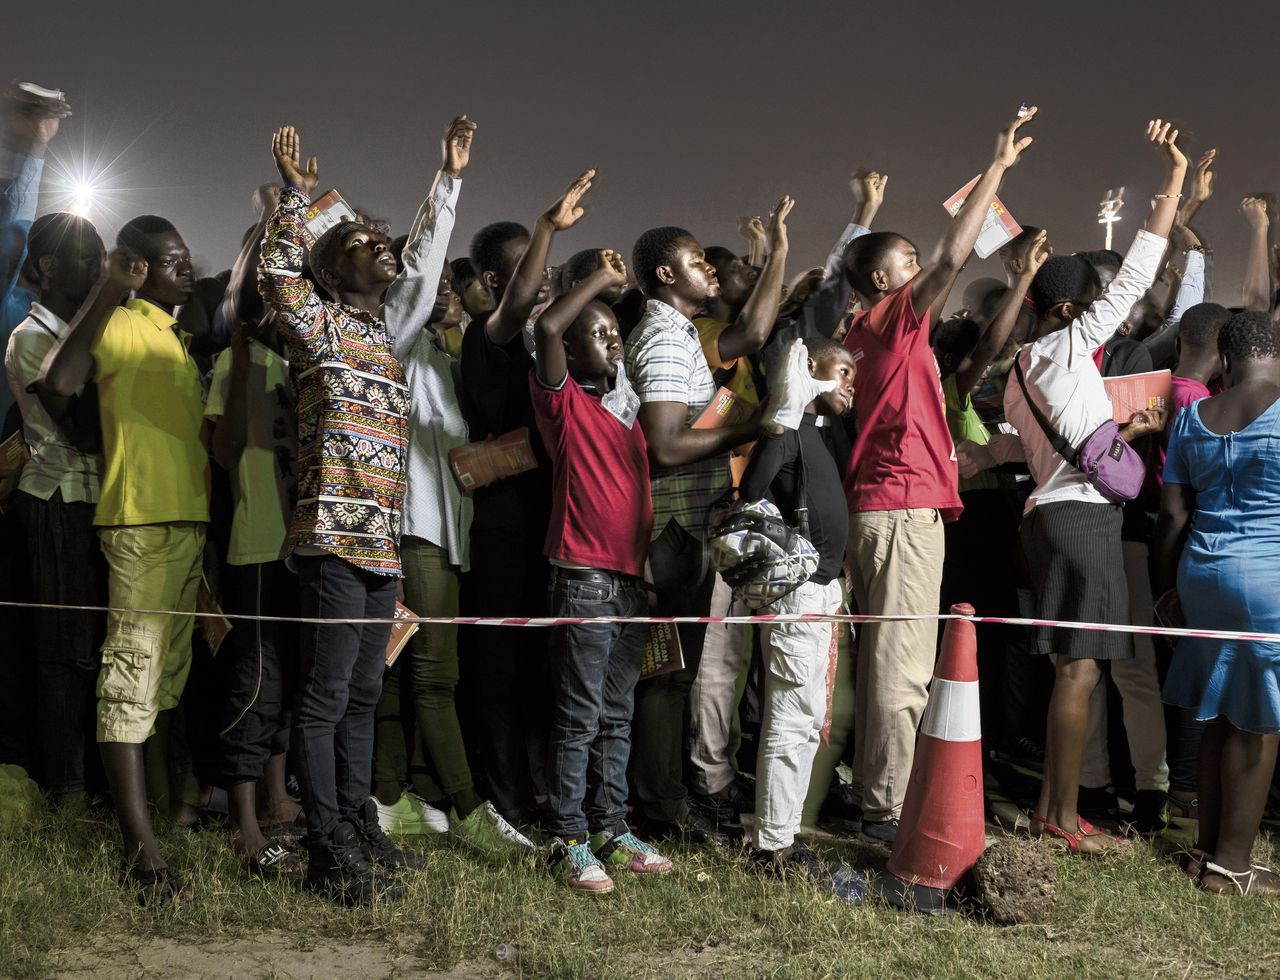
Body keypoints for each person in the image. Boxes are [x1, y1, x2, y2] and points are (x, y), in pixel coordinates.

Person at [839, 107, 1038, 845]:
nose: (924, 272)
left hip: (892, 507)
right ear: (885, 280)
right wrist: (998, 168)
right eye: (909, 264)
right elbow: (955, 258)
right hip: (899, 509)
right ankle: (884, 809)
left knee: (892, 661)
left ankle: (878, 794)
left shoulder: (881, 332)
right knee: (902, 668)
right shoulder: (890, 320)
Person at [1004, 119, 1184, 855]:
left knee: (1068, 672)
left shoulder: (1020, 367)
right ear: (1074, 309)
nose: (1113, 303)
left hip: (1044, 518)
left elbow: (1036, 444)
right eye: (1097, 298)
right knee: (1082, 672)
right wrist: (1173, 182)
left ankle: (1056, 808)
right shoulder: (1071, 342)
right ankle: (1062, 821)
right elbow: (1140, 274)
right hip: (1083, 521)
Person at [258, 125, 423, 905]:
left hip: (380, 550)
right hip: (330, 541)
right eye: (361, 241)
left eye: (382, 238)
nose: (380, 244)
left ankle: (357, 823)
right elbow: (276, 274)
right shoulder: (319, 328)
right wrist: (296, 197)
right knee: (325, 697)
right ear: (331, 271)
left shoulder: (386, 343)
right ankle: (325, 845)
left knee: (363, 695)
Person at [37, 215, 210, 904]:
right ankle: (141, 854)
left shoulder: (174, 335)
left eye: (185, 256)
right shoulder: (120, 316)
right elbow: (58, 384)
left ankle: (164, 817)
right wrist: (112, 290)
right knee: (129, 681)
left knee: (165, 680)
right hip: (138, 521)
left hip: (186, 521)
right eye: (170, 260)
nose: (185, 268)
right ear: (136, 266)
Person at [530, 248, 675, 892]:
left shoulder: (626, 408)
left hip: (631, 579)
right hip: (584, 577)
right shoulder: (562, 403)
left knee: (618, 713)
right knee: (579, 713)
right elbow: (542, 330)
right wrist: (600, 281)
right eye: (597, 331)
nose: (612, 340)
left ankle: (612, 829)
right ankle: (568, 838)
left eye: (616, 331)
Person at [457, 171, 595, 827]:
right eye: (520, 273)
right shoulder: (488, 336)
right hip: (505, 525)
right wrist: (546, 230)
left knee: (547, 664)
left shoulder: (554, 340)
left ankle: (542, 789)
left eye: (544, 270)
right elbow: (516, 310)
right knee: (500, 669)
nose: (540, 283)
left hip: (556, 521)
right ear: (489, 281)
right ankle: (504, 792)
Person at [625, 225, 762, 842]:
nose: (709, 268)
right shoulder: (661, 339)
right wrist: (751, 428)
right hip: (670, 529)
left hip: (689, 522)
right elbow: (664, 443)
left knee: (675, 673)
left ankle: (668, 797)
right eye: (697, 260)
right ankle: (660, 808)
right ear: (664, 275)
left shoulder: (680, 336)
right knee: (666, 673)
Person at [1154, 311, 1280, 896]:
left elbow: (1175, 514)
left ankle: (1207, 847)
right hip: (1267, 581)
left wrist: (1168, 585)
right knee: (1258, 724)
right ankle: (1231, 869)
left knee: (1217, 711)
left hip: (1201, 571)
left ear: (1225, 361)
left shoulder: (1192, 417)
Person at [738, 338, 863, 903]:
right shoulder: (789, 430)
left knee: (806, 718)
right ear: (809, 370)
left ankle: (782, 834)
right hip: (798, 598)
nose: (851, 383)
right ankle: (772, 847)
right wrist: (786, 410)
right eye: (843, 372)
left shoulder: (816, 430)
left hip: (823, 595)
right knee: (790, 719)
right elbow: (751, 490)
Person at [4, 212, 105, 808]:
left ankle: (94, 782)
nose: (97, 269)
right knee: (64, 650)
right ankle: (68, 788)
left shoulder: (79, 330)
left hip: (98, 497)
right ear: (47, 267)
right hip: (56, 497)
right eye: (86, 257)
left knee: (93, 644)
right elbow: (85, 432)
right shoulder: (30, 338)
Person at [204, 313, 301, 875]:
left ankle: (278, 796)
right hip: (259, 539)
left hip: (299, 543)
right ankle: (244, 823)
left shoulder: (298, 360)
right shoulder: (233, 363)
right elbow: (224, 450)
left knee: (284, 677)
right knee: (257, 679)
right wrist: (240, 363)